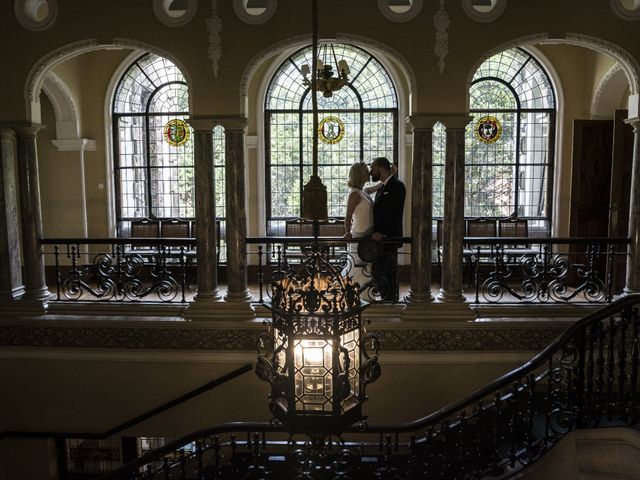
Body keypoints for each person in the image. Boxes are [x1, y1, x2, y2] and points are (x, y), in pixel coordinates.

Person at [370, 157, 405, 301]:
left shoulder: (397, 186)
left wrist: (384, 233)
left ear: (381, 169)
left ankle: (390, 301)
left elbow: (394, 213)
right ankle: (387, 300)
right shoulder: (382, 187)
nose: (370, 172)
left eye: (372, 168)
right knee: (381, 272)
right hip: (380, 240)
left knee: (387, 272)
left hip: (388, 238)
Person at [342, 162, 374, 291]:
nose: (369, 173)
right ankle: (355, 295)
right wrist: (347, 232)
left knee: (366, 268)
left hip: (368, 235)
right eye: (367, 171)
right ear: (360, 174)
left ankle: (365, 294)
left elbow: (378, 186)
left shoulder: (363, 191)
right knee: (358, 267)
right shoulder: (354, 194)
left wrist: (392, 174)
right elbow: (348, 216)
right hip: (359, 235)